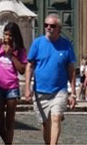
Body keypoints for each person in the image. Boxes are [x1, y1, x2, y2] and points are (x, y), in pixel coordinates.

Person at [24, 14, 76, 145]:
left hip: (59, 90)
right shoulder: (37, 43)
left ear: (59, 28)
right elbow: (29, 66)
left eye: (52, 26)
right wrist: (27, 88)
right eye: (46, 25)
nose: (48, 28)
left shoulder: (66, 45)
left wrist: (73, 93)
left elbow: (71, 69)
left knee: (56, 118)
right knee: (45, 124)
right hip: (40, 91)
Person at [0, 21, 27, 145]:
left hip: (12, 87)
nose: (7, 38)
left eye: (10, 35)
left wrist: (11, 54)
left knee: (10, 121)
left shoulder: (20, 50)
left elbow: (21, 70)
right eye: (5, 35)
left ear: (15, 36)